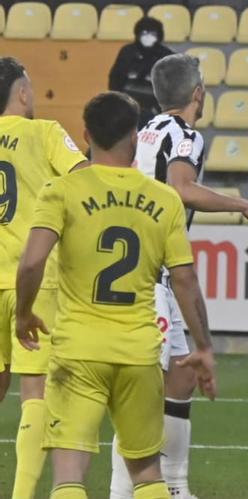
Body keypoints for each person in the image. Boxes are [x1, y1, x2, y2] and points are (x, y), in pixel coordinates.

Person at [14, 91, 218, 499]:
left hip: (78, 351)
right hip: (139, 352)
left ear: (86, 134)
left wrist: (23, 314)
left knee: (69, 474)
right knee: (147, 475)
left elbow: (32, 262)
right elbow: (185, 279)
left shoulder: (62, 190)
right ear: (137, 135)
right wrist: (203, 346)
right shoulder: (165, 200)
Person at [108, 53, 248, 499]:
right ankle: (124, 492)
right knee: (143, 391)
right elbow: (182, 187)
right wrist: (245, 205)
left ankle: (176, 487)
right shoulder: (185, 134)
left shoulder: (141, 130)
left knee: (180, 378)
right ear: (197, 93)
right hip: (152, 276)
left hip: (142, 267)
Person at [0, 58, 89, 498]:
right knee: (34, 392)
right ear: (22, 92)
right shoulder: (46, 133)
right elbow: (85, 179)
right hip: (33, 279)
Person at [108, 16, 174, 128]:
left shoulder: (166, 56)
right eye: (144, 33)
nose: (148, 36)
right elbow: (115, 79)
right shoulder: (127, 52)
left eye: (152, 33)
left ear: (159, 35)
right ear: (137, 34)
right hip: (126, 112)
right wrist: (119, 106)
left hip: (154, 114)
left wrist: (158, 110)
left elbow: (171, 88)